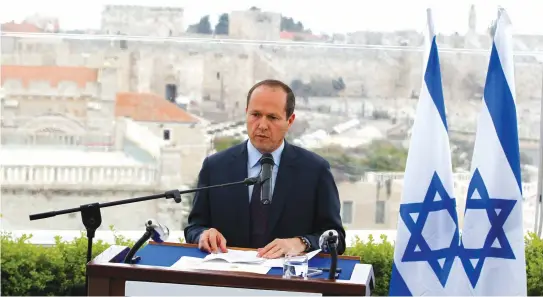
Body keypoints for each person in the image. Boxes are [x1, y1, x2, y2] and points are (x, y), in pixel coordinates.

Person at [184, 79, 346, 259]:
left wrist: (302, 242)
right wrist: (203, 235)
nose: (262, 125)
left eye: (272, 117)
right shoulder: (215, 166)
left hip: (287, 282)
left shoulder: (315, 170)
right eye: (255, 114)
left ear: (289, 120)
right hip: (227, 279)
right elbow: (194, 228)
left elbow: (337, 238)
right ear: (246, 113)